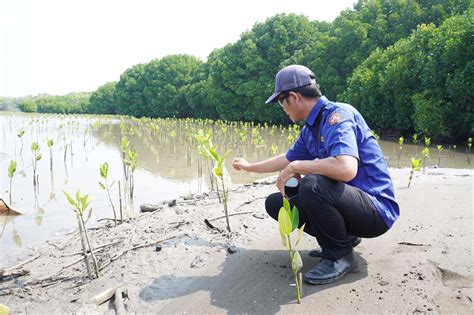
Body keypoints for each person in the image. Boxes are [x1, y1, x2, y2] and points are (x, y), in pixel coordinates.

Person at [232, 65, 399, 285]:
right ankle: (343, 239)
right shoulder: (310, 129)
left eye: (281, 101)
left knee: (312, 184)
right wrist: (250, 167)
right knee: (278, 202)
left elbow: (346, 168)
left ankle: (340, 256)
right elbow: (287, 159)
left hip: (375, 211)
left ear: (293, 97)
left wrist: (298, 167)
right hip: (351, 207)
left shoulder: (337, 116)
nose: (282, 108)